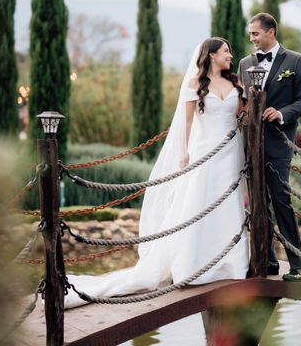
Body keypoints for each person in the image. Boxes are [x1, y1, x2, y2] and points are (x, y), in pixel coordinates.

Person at [64, 38, 250, 309]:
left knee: (228, 204)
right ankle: (193, 265)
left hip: (230, 152)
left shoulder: (236, 85)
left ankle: (232, 263)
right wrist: (184, 153)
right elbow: (185, 123)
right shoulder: (194, 85)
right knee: (199, 204)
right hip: (204, 152)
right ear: (211, 55)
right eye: (225, 52)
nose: (230, 56)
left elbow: (242, 116)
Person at [238, 12, 301, 282]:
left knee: (281, 201)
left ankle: (298, 265)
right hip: (251, 143)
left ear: (271, 32)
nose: (251, 39)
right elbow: (243, 102)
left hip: (279, 144)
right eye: (250, 34)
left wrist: (280, 113)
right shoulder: (245, 63)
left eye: (255, 33)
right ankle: (266, 260)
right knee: (258, 202)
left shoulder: (294, 61)